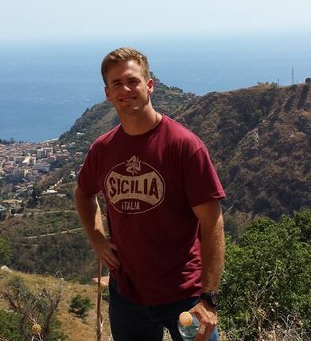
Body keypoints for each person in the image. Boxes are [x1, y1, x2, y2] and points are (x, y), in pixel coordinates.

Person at [75, 47, 225, 341]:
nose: (125, 89)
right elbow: (83, 194)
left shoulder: (183, 146)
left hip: (184, 296)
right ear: (107, 93)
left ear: (149, 85)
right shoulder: (103, 149)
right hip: (127, 295)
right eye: (116, 83)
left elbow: (212, 223)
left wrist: (208, 298)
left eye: (132, 80)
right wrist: (97, 238)